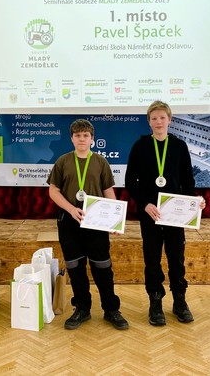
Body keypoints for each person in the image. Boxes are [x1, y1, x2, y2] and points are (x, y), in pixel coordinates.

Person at [125, 100, 206, 326]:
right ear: (149, 122)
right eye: (154, 118)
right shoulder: (140, 146)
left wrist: (193, 203)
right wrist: (145, 204)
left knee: (176, 259)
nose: (158, 122)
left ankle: (179, 301)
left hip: (175, 215)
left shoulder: (179, 146)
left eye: (162, 117)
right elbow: (130, 181)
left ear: (170, 120)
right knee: (152, 259)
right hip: (150, 214)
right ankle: (155, 302)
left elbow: (188, 181)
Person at [47, 119, 129, 330]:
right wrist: (71, 209)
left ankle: (111, 309)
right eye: (77, 135)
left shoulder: (101, 162)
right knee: (75, 267)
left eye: (85, 135)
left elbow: (108, 191)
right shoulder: (63, 161)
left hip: (97, 222)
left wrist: (115, 220)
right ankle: (82, 308)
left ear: (92, 139)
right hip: (70, 221)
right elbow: (53, 191)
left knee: (102, 267)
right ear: (72, 139)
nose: (81, 139)